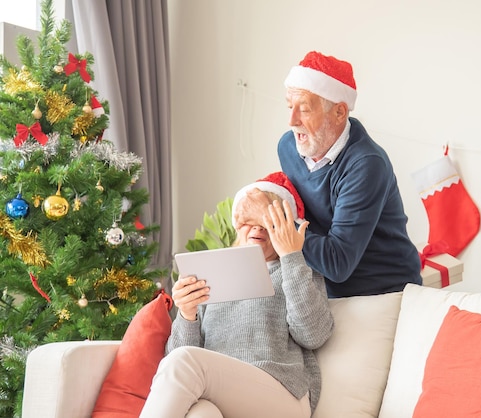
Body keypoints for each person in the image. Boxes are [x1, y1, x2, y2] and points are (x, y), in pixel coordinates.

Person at [140, 172, 334, 418]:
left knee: (186, 362)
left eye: (268, 222)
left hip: (282, 394)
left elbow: (313, 335)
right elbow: (177, 360)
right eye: (250, 220)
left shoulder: (296, 271)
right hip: (219, 395)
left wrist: (290, 257)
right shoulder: (211, 273)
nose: (257, 228)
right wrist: (187, 315)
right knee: (201, 414)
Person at [234, 51, 422, 298]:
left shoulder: (366, 165)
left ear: (340, 113)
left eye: (304, 110)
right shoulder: (288, 147)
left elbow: (337, 263)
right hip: (322, 288)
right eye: (290, 107)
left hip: (381, 292)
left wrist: (267, 215)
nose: (292, 121)